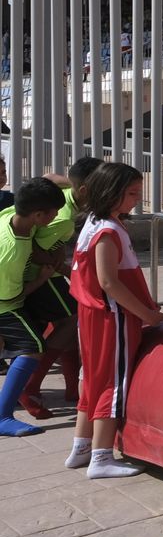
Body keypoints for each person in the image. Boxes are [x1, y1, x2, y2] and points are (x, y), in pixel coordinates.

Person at [68, 162, 163, 477]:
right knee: (113, 381)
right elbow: (109, 282)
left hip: (93, 316)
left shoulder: (94, 223)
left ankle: (82, 446)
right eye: (132, 193)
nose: (138, 199)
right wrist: (148, 313)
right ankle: (101, 456)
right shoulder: (108, 231)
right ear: (111, 193)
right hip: (112, 317)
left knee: (93, 379)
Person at [16, 157, 101, 419]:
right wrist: (65, 269)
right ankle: (29, 386)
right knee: (71, 320)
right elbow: (36, 251)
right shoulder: (61, 217)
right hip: (39, 276)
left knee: (73, 322)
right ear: (86, 190)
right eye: (103, 185)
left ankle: (70, 388)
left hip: (44, 272)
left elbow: (51, 176)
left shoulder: (63, 196)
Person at [0, 178, 68, 437]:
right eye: (53, 214)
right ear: (39, 214)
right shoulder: (13, 251)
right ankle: (3, 415)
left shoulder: (12, 213)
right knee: (33, 347)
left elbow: (50, 181)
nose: (56, 218)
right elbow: (10, 296)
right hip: (5, 304)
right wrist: (41, 279)